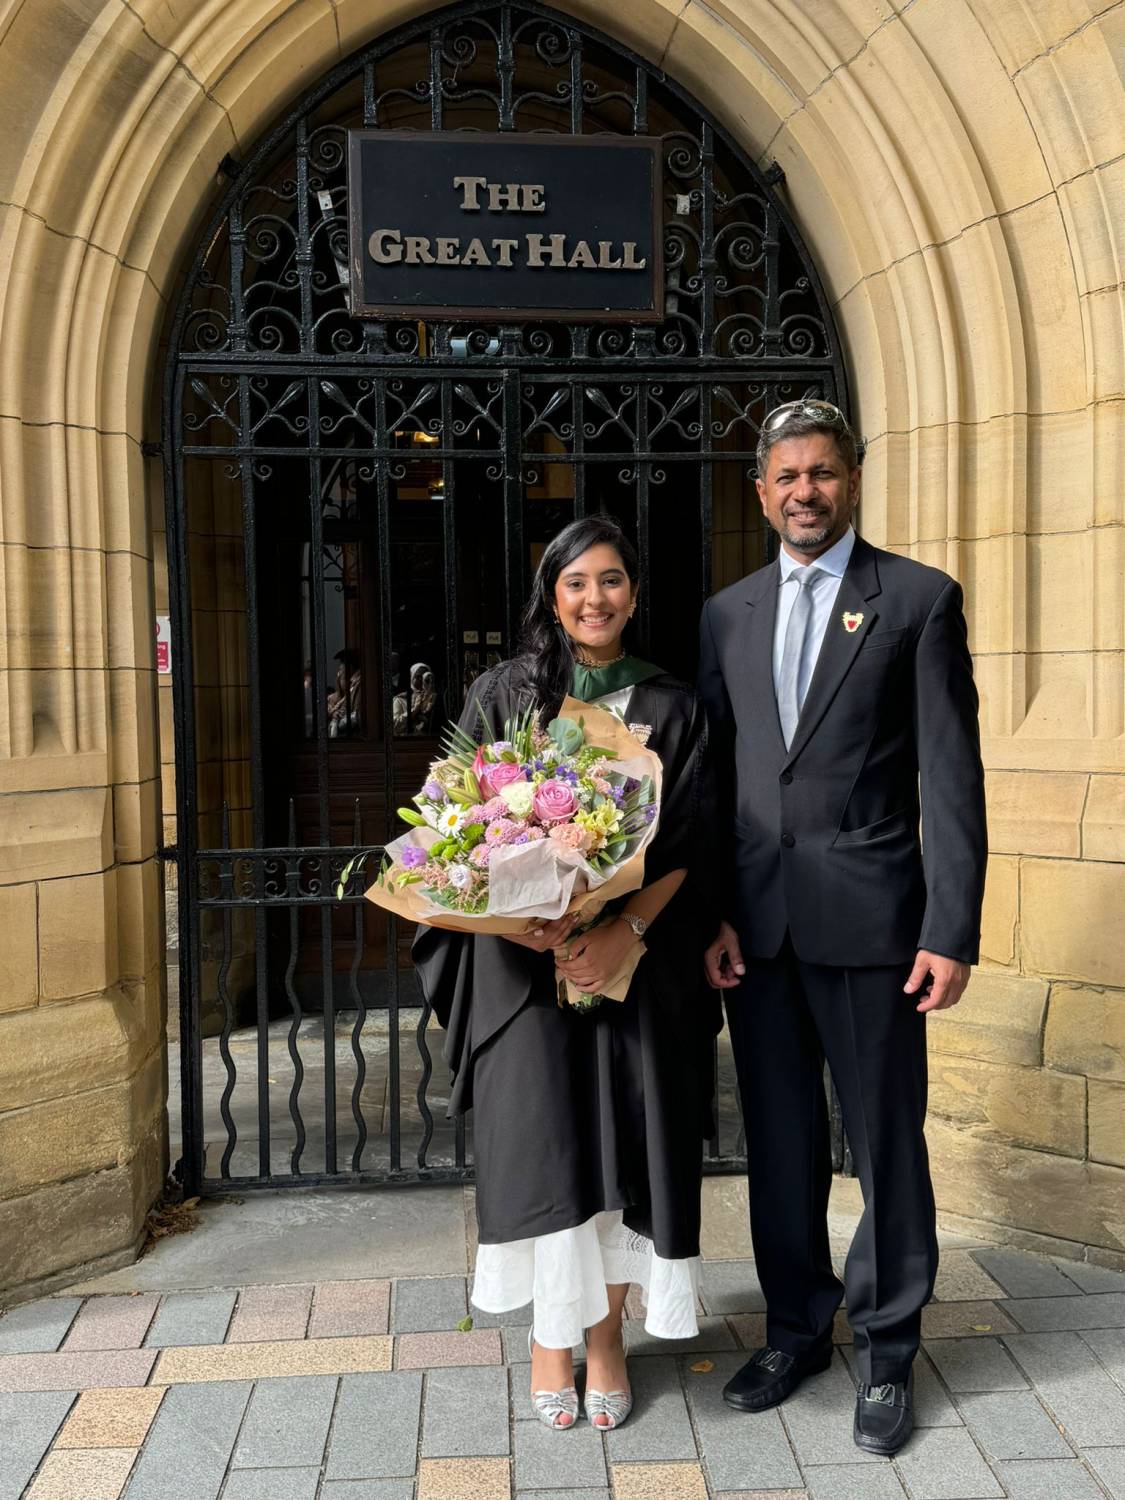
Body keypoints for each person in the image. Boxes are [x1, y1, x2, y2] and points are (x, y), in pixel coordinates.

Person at [697, 399, 987, 1456]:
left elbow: (949, 776)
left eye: (821, 472)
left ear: (852, 479)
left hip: (874, 927)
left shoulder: (915, 600)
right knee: (780, 1145)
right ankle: (794, 1332)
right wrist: (712, 912)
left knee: (884, 1145)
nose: (804, 492)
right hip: (758, 930)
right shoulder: (726, 614)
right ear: (760, 490)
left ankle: (888, 1348)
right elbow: (716, 780)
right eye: (786, 476)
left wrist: (950, 929)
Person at [412, 516, 719, 1432]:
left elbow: (691, 839)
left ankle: (607, 1338)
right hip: (522, 970)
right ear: (552, 594)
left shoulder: (673, 705)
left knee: (625, 1147)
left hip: (632, 968)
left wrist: (622, 929)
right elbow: (455, 825)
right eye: (577, 582)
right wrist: (523, 921)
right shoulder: (503, 693)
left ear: (634, 592)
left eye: (611, 580)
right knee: (547, 1148)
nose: (595, 598)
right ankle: (552, 1341)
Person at [393, 660, 437, 735]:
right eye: (418, 676)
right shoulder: (400, 700)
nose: (421, 680)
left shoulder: (434, 699)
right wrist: (414, 710)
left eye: (425, 678)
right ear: (412, 678)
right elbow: (395, 726)